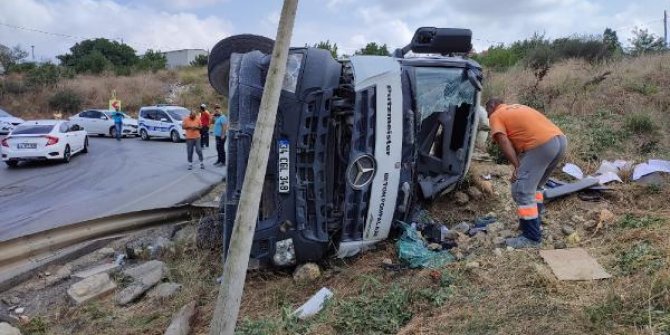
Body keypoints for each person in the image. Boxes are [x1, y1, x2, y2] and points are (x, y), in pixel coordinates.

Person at [486, 98, 567, 249]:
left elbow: (503, 141)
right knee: (534, 187)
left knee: (522, 190)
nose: (487, 117)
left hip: (542, 145)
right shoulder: (517, 107)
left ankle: (531, 237)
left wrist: (517, 166)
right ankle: (534, 222)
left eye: (487, 113)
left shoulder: (496, 115)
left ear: (492, 107)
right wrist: (521, 167)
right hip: (560, 141)